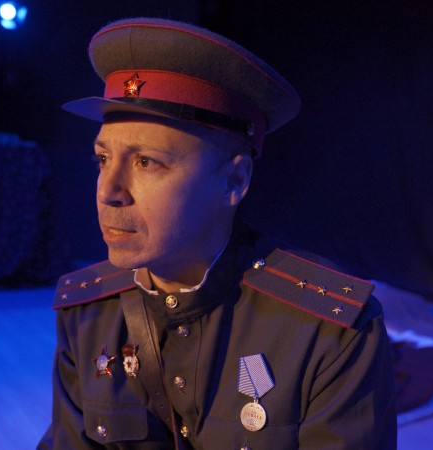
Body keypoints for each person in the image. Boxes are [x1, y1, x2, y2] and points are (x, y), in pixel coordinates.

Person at [38, 17, 396, 449]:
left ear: (233, 181)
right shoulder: (87, 312)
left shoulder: (328, 332)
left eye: (146, 162)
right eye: (102, 159)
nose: (108, 192)